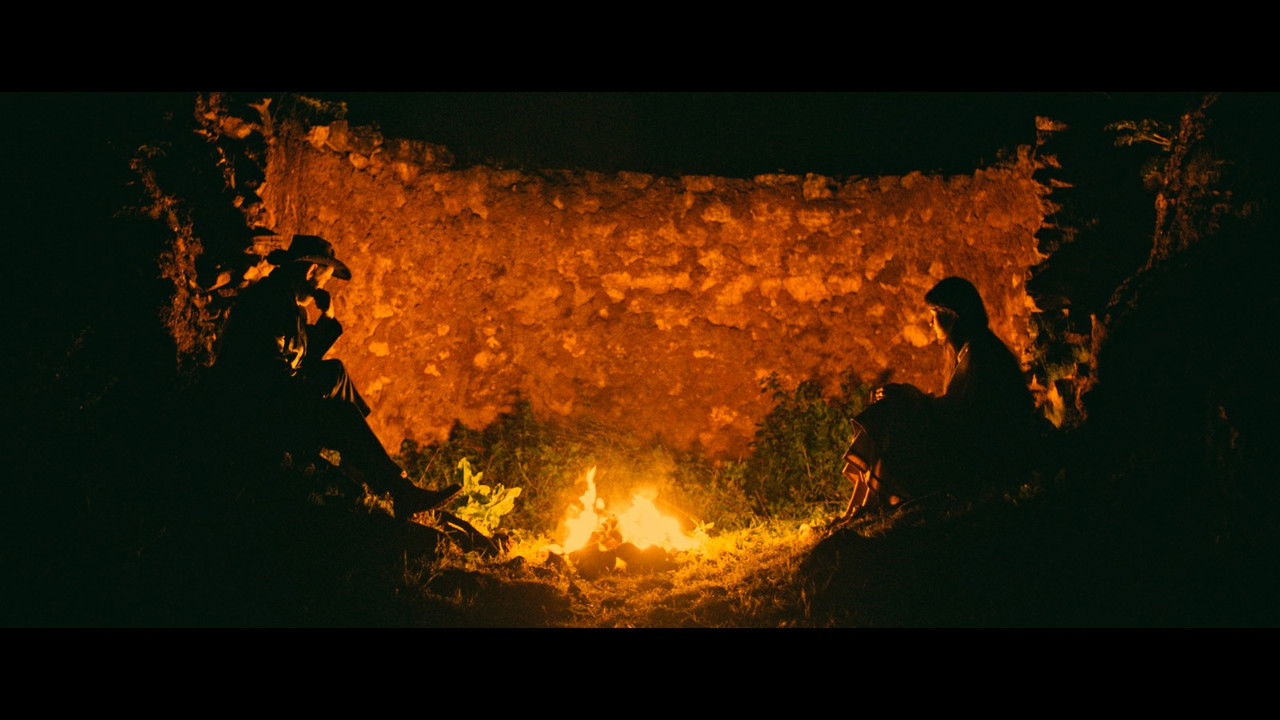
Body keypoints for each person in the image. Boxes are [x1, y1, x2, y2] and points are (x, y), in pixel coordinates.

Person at [212, 234, 459, 518]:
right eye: (324, 280)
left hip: (269, 398)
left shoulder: (287, 302)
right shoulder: (272, 302)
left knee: (335, 371)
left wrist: (327, 320)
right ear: (310, 272)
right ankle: (398, 489)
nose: (322, 287)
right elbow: (267, 375)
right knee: (340, 412)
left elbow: (299, 358)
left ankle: (361, 461)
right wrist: (314, 399)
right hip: (251, 412)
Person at [834, 276, 1039, 525]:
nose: (930, 321)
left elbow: (961, 415)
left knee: (889, 414)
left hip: (980, 458)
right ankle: (859, 507)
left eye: (934, 313)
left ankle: (864, 509)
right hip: (969, 447)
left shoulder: (980, 354)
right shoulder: (969, 350)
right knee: (888, 410)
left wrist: (909, 397)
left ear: (952, 315)